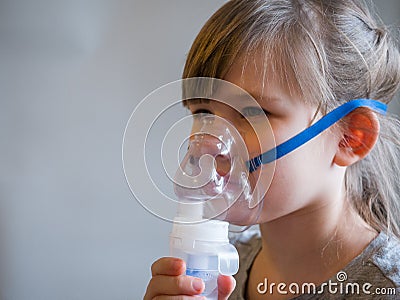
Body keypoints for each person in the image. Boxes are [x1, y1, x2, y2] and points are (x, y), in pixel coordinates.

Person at [144, 0, 400, 299]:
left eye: (253, 113)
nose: (212, 143)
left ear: (351, 137)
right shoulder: (221, 273)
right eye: (203, 111)